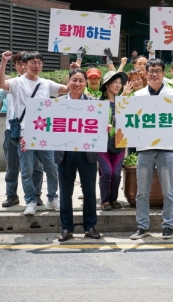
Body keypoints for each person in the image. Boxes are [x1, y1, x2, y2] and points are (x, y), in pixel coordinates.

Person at [0, 51, 70, 216]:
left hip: (44, 134)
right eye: (33, 63)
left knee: (51, 167)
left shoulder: (46, 83)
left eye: (39, 63)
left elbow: (66, 89)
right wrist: (3, 62)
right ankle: (30, 200)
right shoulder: (17, 83)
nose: (37, 66)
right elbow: (0, 83)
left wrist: (75, 72)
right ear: (25, 64)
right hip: (24, 134)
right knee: (27, 169)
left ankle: (52, 198)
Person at [0, 52, 44, 208]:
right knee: (12, 165)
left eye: (25, 63)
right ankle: (11, 195)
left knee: (36, 166)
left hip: (35, 131)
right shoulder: (11, 84)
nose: (22, 66)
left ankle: (36, 195)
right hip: (13, 131)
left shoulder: (40, 84)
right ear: (15, 66)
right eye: (18, 63)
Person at [130, 58, 173, 240]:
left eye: (158, 70)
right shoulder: (138, 96)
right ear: (146, 73)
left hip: (166, 147)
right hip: (145, 148)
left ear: (163, 73)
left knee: (168, 190)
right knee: (142, 190)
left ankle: (168, 226)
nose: (155, 74)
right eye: (151, 71)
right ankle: (142, 226)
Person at [54, 69, 101, 242]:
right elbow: (47, 128)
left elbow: (100, 127)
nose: (77, 84)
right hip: (64, 153)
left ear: (86, 83)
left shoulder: (95, 104)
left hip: (86, 153)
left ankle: (90, 226)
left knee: (89, 190)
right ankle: (66, 228)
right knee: (65, 192)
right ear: (68, 81)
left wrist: (104, 129)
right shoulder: (56, 104)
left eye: (81, 80)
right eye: (74, 80)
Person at [98, 71, 132, 211]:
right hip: (102, 144)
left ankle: (114, 199)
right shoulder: (98, 102)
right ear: (107, 85)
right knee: (107, 172)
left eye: (120, 83)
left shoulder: (124, 102)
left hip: (119, 143)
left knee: (117, 174)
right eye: (115, 82)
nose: (118, 85)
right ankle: (105, 200)